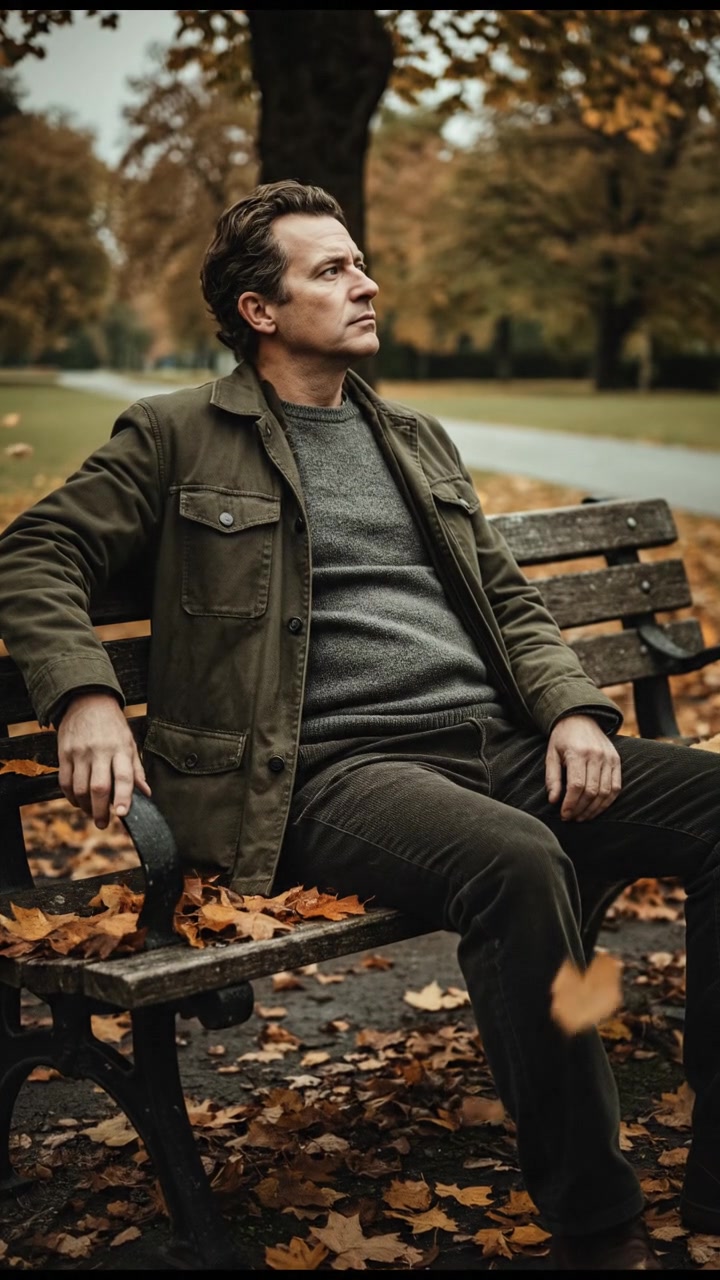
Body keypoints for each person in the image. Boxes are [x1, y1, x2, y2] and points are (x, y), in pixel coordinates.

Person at [0, 179, 718, 1270]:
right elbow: (34, 552)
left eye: (361, 261)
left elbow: (509, 601)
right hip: (331, 771)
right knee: (522, 863)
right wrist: (86, 695)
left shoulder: (415, 438)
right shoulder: (178, 435)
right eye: (331, 269)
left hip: (492, 742)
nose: (365, 281)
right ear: (259, 309)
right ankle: (596, 1221)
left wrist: (574, 708)